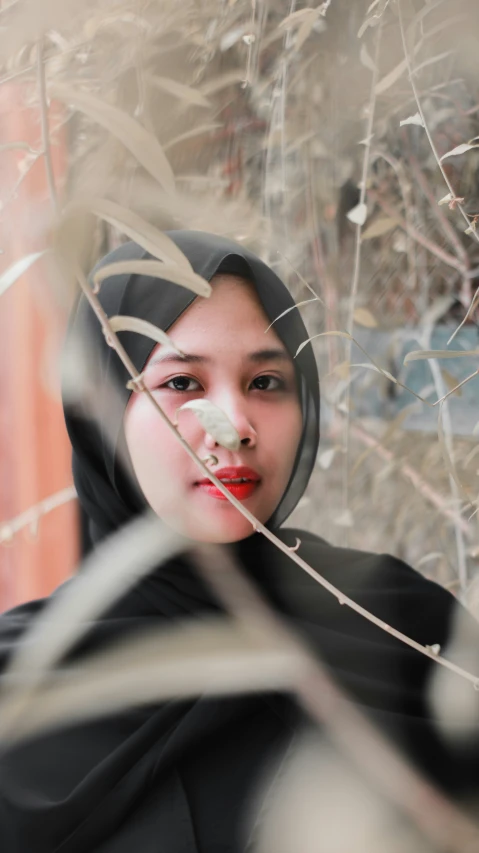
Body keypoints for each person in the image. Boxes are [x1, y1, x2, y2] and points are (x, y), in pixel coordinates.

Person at [0, 230, 478, 852]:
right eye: (182, 384)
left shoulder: (403, 627)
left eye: (266, 382)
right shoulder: (23, 688)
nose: (236, 426)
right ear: (102, 417)